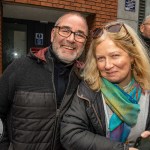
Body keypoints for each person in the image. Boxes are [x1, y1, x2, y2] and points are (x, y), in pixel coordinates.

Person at [0, 11, 88, 150]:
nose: (71, 39)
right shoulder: (20, 67)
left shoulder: (85, 77)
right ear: (53, 34)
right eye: (65, 30)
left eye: (80, 34)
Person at [61, 21, 150, 150]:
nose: (107, 65)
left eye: (115, 56)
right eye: (100, 58)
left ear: (132, 56)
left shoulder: (146, 89)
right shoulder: (89, 89)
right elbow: (70, 134)